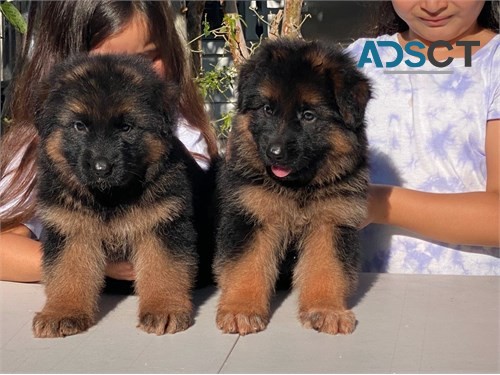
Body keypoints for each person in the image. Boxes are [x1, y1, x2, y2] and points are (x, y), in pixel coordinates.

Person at [0, 1, 219, 283]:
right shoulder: (41, 149)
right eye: (106, 63)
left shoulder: (181, 131)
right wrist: (92, 265)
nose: (128, 77)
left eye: (148, 57)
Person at [346, 0, 499, 274]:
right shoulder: (357, 62)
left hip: (477, 300)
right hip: (360, 301)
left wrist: (378, 204)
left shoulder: (494, 64)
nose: (433, 5)